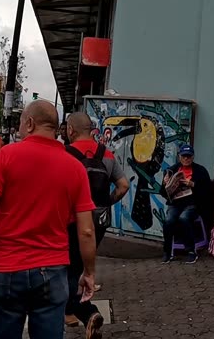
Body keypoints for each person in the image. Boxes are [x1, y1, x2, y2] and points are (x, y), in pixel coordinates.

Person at [0, 100, 99, 339]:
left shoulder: (8, 155)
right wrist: (89, 272)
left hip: (8, 268)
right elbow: (86, 230)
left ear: (29, 123)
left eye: (19, 122)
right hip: (53, 269)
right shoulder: (75, 167)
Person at [63, 111, 130, 333]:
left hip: (73, 219)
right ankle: (75, 311)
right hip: (99, 219)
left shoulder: (66, 155)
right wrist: (108, 203)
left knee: (70, 268)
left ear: (70, 130)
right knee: (81, 264)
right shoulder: (108, 155)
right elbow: (124, 186)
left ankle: (81, 311)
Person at [161, 143, 212, 264]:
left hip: (192, 204)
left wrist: (193, 185)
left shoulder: (200, 171)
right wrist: (165, 184)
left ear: (193, 157)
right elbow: (163, 193)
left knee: (184, 218)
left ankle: (190, 251)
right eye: (184, 156)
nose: (186, 159)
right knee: (168, 221)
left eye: (189, 156)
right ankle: (167, 252)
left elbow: (207, 191)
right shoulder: (172, 170)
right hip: (176, 203)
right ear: (179, 157)